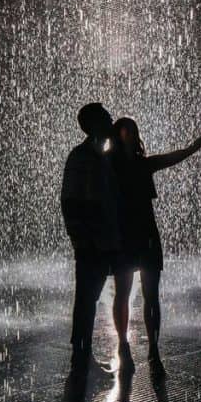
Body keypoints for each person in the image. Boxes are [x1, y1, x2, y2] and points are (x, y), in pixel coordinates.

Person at [110, 111, 201, 377]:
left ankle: (154, 350)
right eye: (125, 129)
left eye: (133, 129)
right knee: (123, 292)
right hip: (124, 235)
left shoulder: (144, 164)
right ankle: (123, 345)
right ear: (117, 136)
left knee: (151, 295)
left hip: (147, 234)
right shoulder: (109, 166)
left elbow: (186, 152)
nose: (130, 134)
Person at [61, 103, 122, 377]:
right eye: (106, 116)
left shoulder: (101, 155)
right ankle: (81, 359)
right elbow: (69, 202)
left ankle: (82, 358)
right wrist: (81, 240)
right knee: (86, 299)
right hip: (90, 244)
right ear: (95, 124)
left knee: (89, 298)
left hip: (101, 242)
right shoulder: (82, 156)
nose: (112, 118)